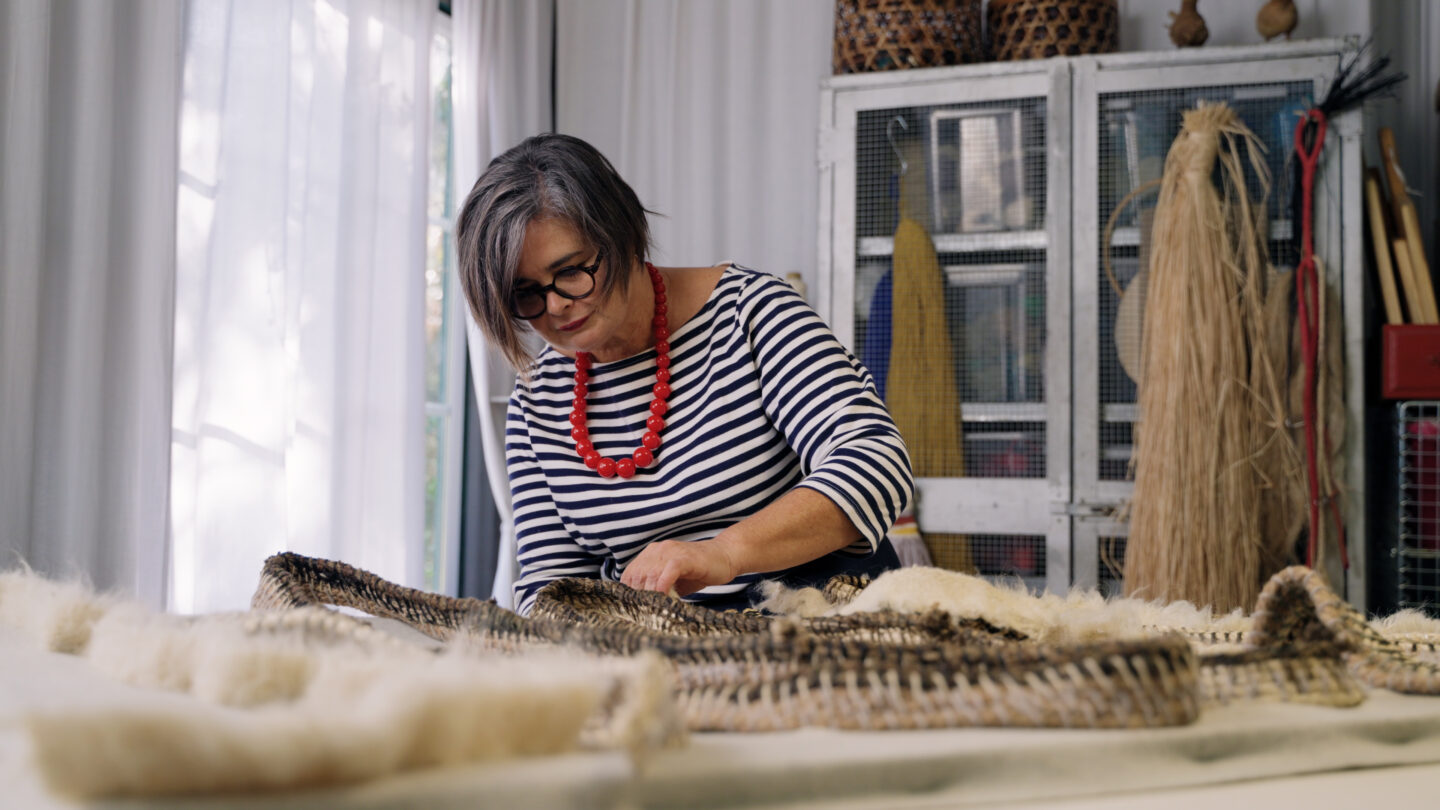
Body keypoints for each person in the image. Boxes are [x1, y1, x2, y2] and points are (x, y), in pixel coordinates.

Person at [456, 133, 913, 615]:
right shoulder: (537, 401)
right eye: (525, 292)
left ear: (623, 233)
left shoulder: (751, 314)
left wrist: (724, 553)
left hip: (823, 627)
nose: (555, 306)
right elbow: (551, 585)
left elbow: (874, 463)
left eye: (570, 271)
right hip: (669, 658)